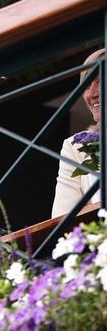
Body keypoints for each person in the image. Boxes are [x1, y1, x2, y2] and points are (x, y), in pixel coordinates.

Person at [52, 48, 105, 217]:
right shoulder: (75, 147)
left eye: (100, 80)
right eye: (87, 85)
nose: (91, 93)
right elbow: (62, 219)